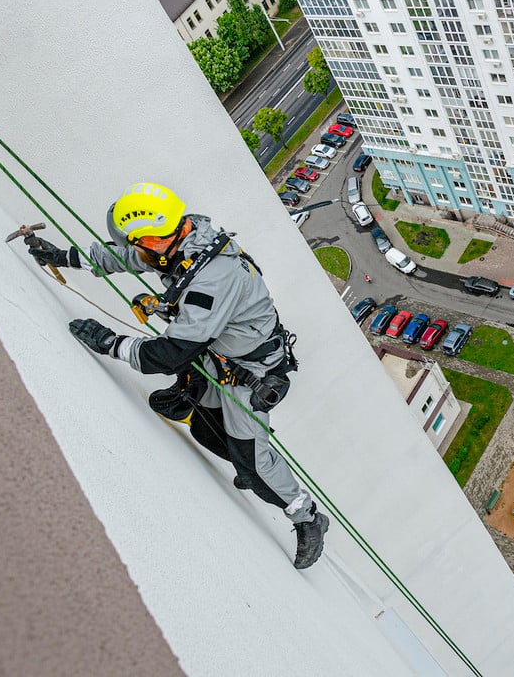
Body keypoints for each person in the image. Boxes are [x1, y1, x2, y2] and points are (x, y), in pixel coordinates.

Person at [26, 182, 328, 569]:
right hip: (220, 351)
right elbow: (126, 258)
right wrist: (62, 256)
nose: (137, 251)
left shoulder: (211, 278)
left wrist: (110, 343)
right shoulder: (184, 239)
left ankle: (307, 517)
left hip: (250, 372)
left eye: (139, 244)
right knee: (205, 431)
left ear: (153, 239)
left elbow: (170, 353)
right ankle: (198, 403)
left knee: (253, 463)